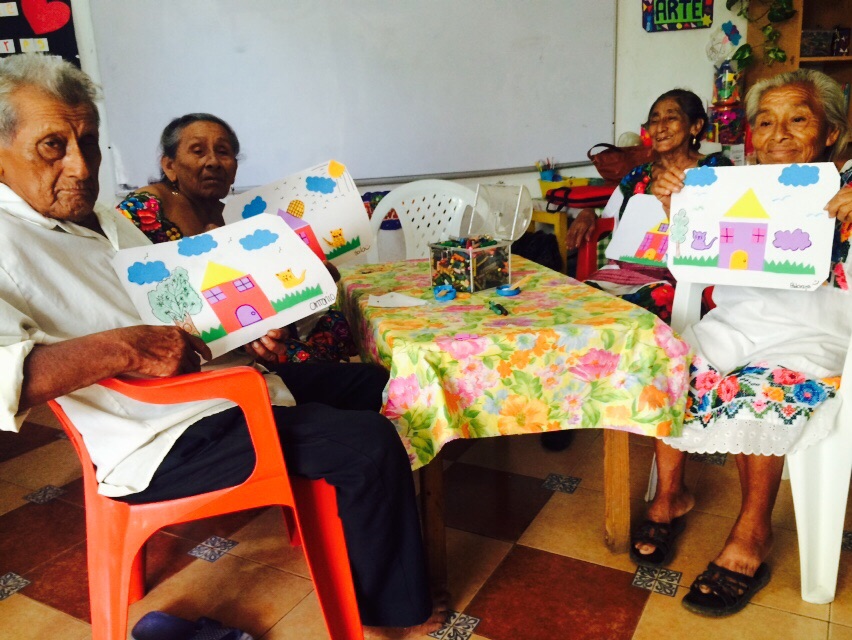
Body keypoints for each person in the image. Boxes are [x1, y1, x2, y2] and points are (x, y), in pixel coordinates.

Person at [0, 54, 444, 638]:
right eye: (53, 146)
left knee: (384, 385)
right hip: (164, 437)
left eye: (88, 142)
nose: (81, 166)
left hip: (222, 390)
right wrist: (127, 348)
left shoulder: (105, 220)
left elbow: (175, 306)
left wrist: (244, 330)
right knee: (366, 445)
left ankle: (363, 529)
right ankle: (392, 611)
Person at [631, 69, 852, 617]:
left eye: (798, 120)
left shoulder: (848, 184)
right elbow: (696, 262)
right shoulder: (728, 183)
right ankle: (671, 496)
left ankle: (753, 533)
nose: (779, 135)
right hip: (738, 320)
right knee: (662, 366)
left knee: (760, 391)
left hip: (818, 329)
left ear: (829, 132)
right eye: (766, 122)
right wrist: (677, 208)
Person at [115, 113, 354, 363]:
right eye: (198, 151)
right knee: (348, 373)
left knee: (334, 323)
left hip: (249, 342)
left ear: (234, 169)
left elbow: (264, 289)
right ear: (169, 166)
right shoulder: (144, 208)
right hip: (192, 358)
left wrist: (314, 275)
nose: (213, 162)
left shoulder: (232, 216)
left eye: (223, 152)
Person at [565, 89, 733, 322]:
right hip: (627, 275)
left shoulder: (714, 168)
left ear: (695, 126)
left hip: (683, 279)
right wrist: (587, 213)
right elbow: (608, 218)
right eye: (654, 120)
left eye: (671, 118)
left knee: (655, 301)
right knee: (576, 302)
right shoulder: (638, 176)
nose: (660, 127)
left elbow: (726, 223)